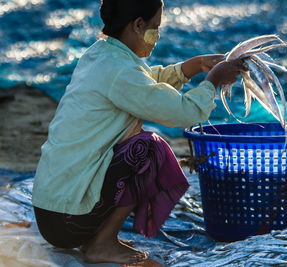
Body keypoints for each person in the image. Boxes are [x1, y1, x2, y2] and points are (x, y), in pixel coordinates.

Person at [31, 0, 246, 265]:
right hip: (67, 221)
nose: (157, 38)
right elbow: (183, 113)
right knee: (148, 148)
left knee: (140, 144)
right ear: (137, 25)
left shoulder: (101, 54)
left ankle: (101, 235)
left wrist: (190, 67)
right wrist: (212, 81)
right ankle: (102, 242)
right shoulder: (119, 70)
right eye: (155, 29)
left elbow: (144, 84)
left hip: (52, 212)